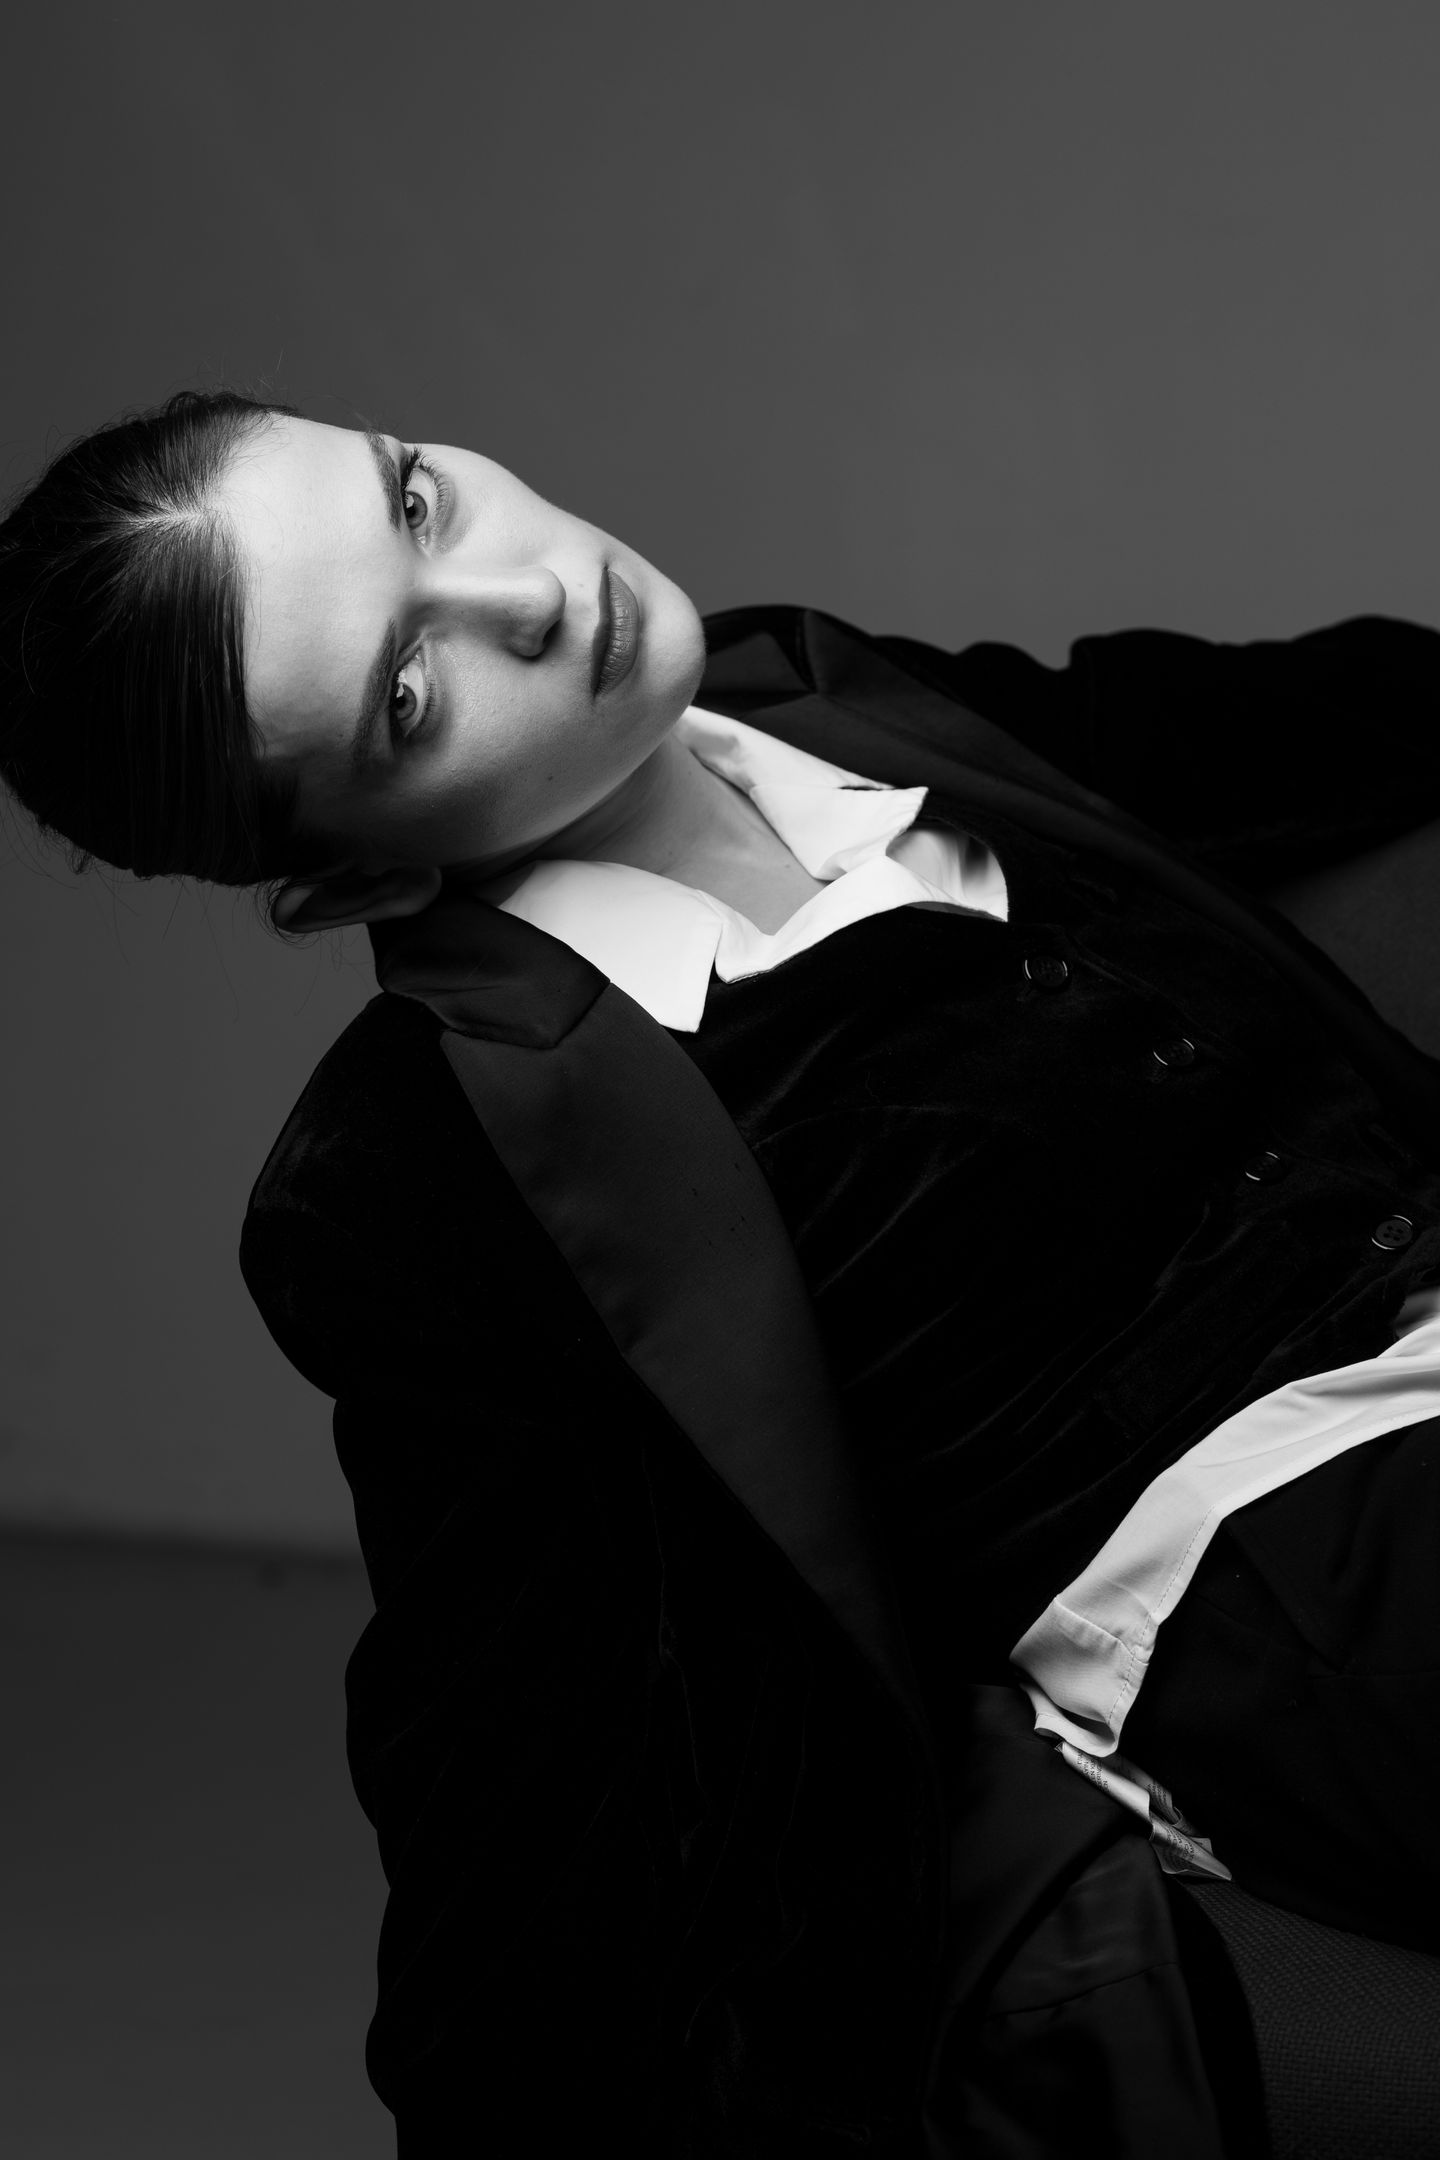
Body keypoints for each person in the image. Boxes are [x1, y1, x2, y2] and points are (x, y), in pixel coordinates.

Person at [4, 387, 1440, 2156]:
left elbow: (1310, 723)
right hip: (1287, 1578)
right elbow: (508, 1756)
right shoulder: (448, 1160)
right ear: (361, 874)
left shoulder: (818, 700)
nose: (529, 597)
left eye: (417, 501)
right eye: (408, 691)